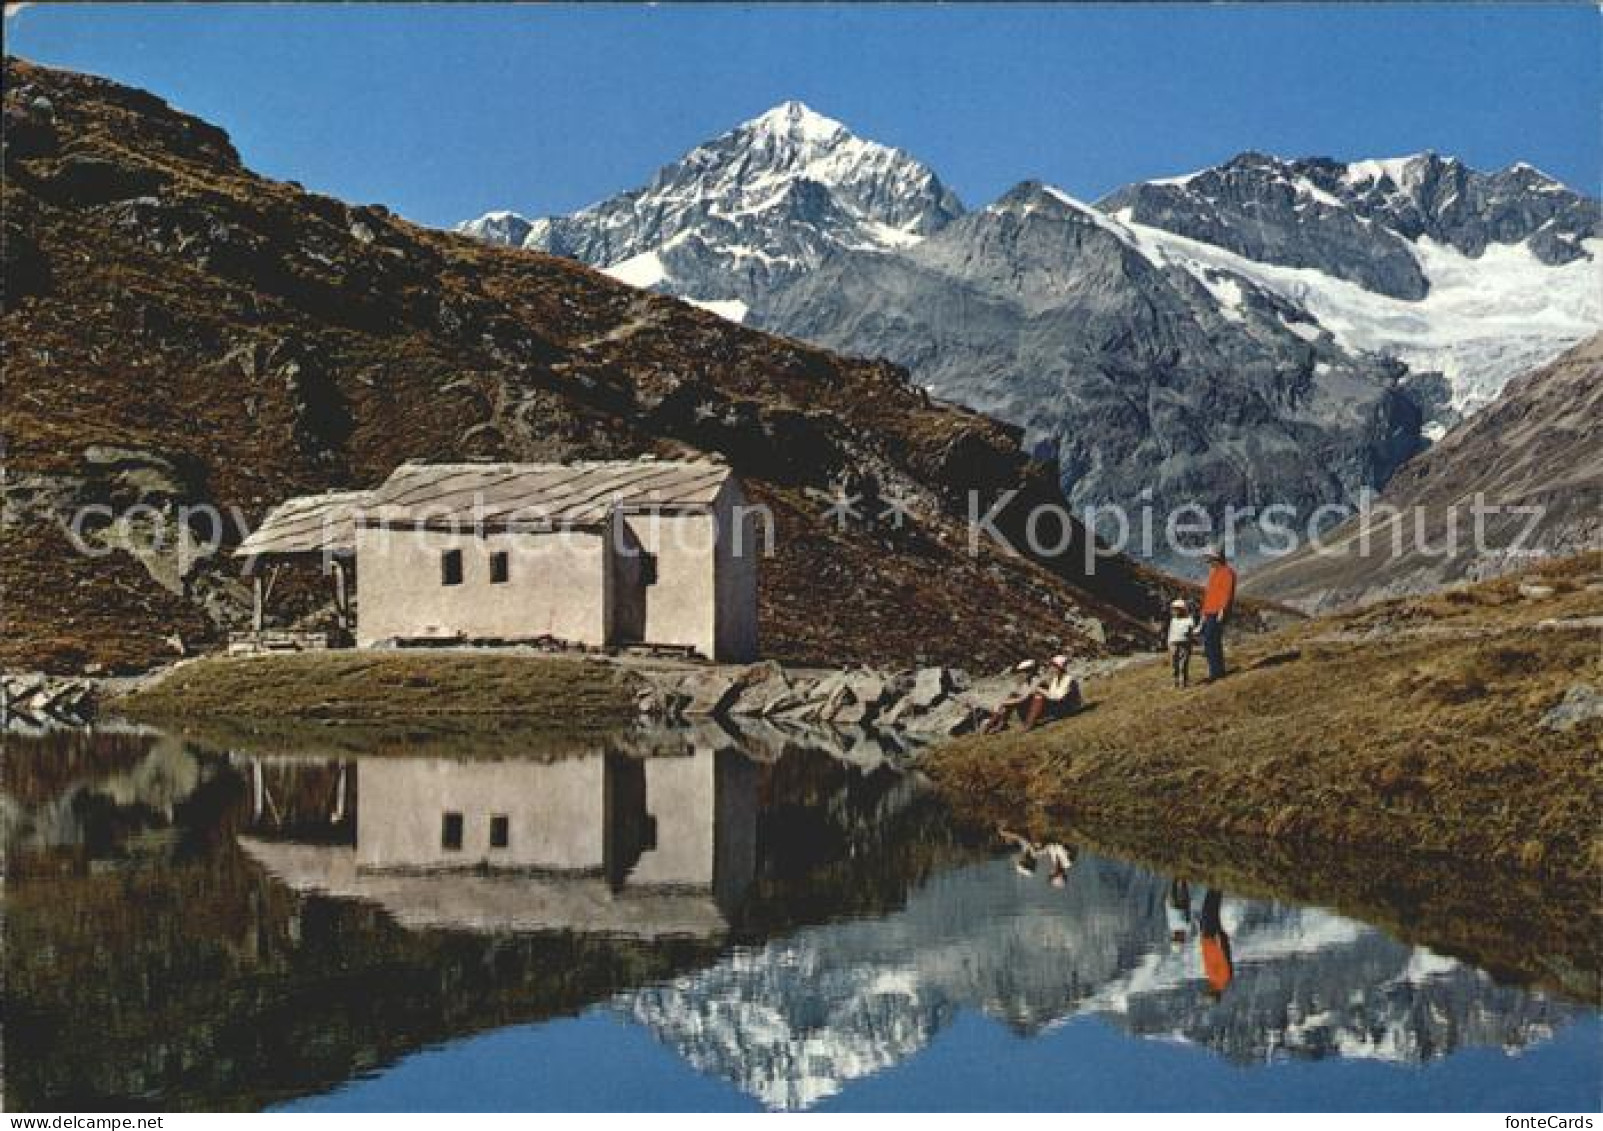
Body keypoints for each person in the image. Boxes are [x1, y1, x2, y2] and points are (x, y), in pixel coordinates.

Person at [1198, 545, 1237, 682]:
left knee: (1211, 641)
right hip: (1210, 611)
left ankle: (1216, 672)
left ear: (1216, 558)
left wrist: (1222, 610)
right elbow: (1210, 595)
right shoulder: (1214, 573)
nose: (1208, 562)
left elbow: (1226, 593)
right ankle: (1216, 670)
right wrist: (1204, 613)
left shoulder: (1227, 572)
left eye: (1209, 559)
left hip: (1217, 612)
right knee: (1210, 641)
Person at [983, 660, 1041, 733]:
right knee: (1010, 697)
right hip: (1026, 705)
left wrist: (1004, 702)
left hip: (1035, 705)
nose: (1022, 674)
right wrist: (1003, 702)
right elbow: (1017, 694)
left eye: (1025, 671)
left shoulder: (1037, 680)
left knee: (1008, 701)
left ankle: (1028, 724)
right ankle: (995, 724)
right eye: (1022, 672)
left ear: (1031, 671)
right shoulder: (1024, 682)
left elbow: (1024, 697)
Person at [1198, 888, 1234, 999]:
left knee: (1208, 911)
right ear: (1213, 992)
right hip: (1213, 938)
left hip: (1207, 939)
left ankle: (1215, 887)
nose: (1206, 989)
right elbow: (1224, 955)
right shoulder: (1223, 978)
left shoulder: (1213, 980)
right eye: (1207, 992)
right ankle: (1217, 886)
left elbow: (1208, 957)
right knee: (1209, 911)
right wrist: (1220, 937)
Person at [1165, 598, 1198, 688]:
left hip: (1185, 643)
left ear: (1182, 609)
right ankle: (1175, 682)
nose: (1174, 611)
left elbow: (1193, 631)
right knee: (1174, 664)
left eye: (1176, 609)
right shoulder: (1173, 620)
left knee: (1183, 664)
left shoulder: (1189, 620)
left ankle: (1184, 682)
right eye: (1173, 609)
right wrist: (1168, 642)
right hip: (1173, 643)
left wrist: (1191, 638)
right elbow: (1170, 631)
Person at [1166, 878, 1193, 949]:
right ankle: (1178, 877)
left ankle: (1182, 879)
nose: (1183, 938)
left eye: (1182, 940)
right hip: (1172, 904)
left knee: (1182, 889)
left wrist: (1189, 904)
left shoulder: (1186, 928)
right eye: (1183, 940)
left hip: (1179, 906)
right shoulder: (1171, 927)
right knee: (1175, 887)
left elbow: (1188, 913)